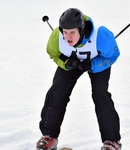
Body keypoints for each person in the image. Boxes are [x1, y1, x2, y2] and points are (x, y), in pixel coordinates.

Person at [36, 8, 122, 150]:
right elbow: (53, 54)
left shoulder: (101, 35)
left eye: (72, 32)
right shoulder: (56, 37)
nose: (67, 37)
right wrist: (66, 63)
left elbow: (112, 55)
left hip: (97, 62)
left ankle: (112, 141)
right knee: (57, 90)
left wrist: (92, 65)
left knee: (100, 94)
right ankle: (48, 136)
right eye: (65, 32)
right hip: (71, 63)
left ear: (81, 29)